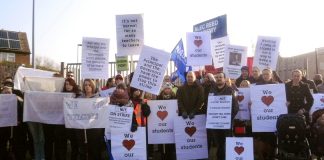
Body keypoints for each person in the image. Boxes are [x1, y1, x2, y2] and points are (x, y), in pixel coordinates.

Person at [208, 72, 239, 160]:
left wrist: (228, 118)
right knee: (218, 144)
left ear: (224, 79)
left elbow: (235, 107)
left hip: (226, 124)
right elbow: (209, 106)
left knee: (226, 144)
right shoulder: (212, 90)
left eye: (220, 77)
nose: (218, 78)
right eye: (217, 77)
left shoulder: (230, 90)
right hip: (215, 123)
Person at [76, 79, 106, 160]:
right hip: (82, 128)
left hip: (95, 128)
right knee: (83, 150)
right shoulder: (79, 98)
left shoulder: (98, 98)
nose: (87, 87)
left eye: (89, 85)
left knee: (95, 149)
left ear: (92, 86)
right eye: (85, 85)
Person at [0, 82, 28, 160]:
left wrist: (19, 120)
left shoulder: (17, 99)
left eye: (8, 90)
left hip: (15, 128)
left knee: (17, 146)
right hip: (3, 128)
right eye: (4, 90)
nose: (6, 92)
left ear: (12, 90)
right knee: (2, 145)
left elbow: (23, 111)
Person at [62, 78, 81, 160]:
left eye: (70, 84)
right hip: (64, 123)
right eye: (66, 84)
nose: (68, 86)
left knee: (74, 144)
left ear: (73, 85)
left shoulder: (78, 95)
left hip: (75, 124)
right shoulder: (61, 95)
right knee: (63, 143)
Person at [157, 82, 177, 160]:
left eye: (169, 88)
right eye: (166, 88)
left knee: (171, 141)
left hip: (171, 122)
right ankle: (163, 156)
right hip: (162, 123)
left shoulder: (174, 97)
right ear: (163, 89)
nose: (167, 90)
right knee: (163, 142)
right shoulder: (159, 97)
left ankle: (171, 155)